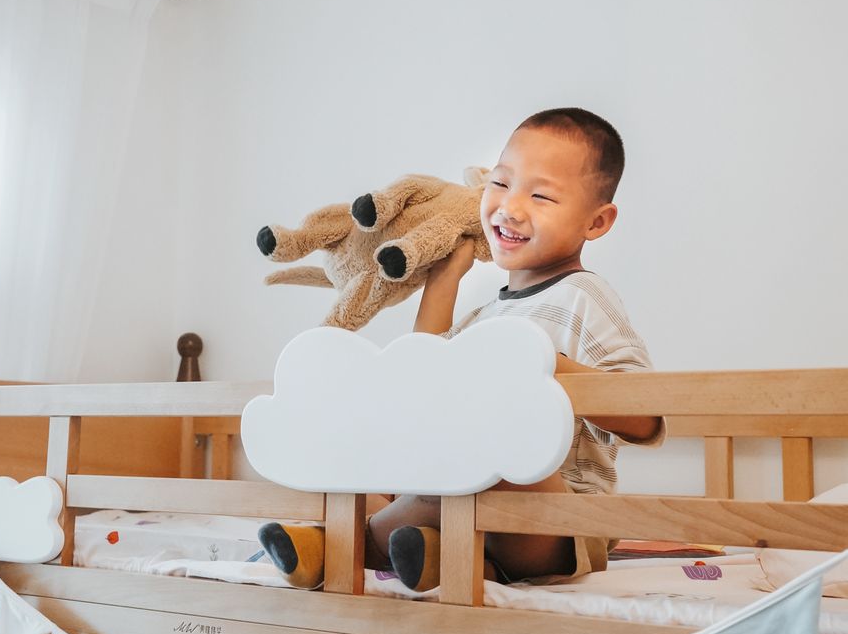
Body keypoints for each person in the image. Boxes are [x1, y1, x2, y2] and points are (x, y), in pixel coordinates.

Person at [259, 107, 664, 592]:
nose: (510, 207)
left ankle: (341, 547)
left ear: (596, 222)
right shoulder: (485, 319)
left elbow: (647, 415)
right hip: (469, 504)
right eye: (500, 183)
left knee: (483, 451)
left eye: (540, 195)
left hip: (560, 523)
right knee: (373, 460)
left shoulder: (582, 297)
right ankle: (436, 556)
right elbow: (422, 373)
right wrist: (445, 277)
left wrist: (544, 368)